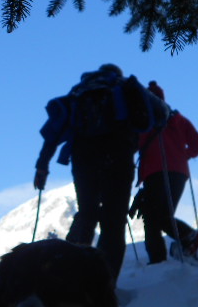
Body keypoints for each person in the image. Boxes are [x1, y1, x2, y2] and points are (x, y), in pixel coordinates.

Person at [33, 64, 168, 281]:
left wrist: (42, 167)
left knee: (87, 213)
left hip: (83, 156)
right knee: (113, 221)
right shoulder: (125, 86)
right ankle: (105, 285)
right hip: (118, 154)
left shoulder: (79, 91)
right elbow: (162, 113)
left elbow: (53, 131)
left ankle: (71, 276)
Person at [132, 81, 198, 264]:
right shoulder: (178, 119)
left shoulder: (144, 120)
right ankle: (185, 241)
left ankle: (173, 248)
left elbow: (132, 146)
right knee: (161, 214)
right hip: (179, 173)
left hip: (155, 172)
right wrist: (183, 156)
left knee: (153, 217)